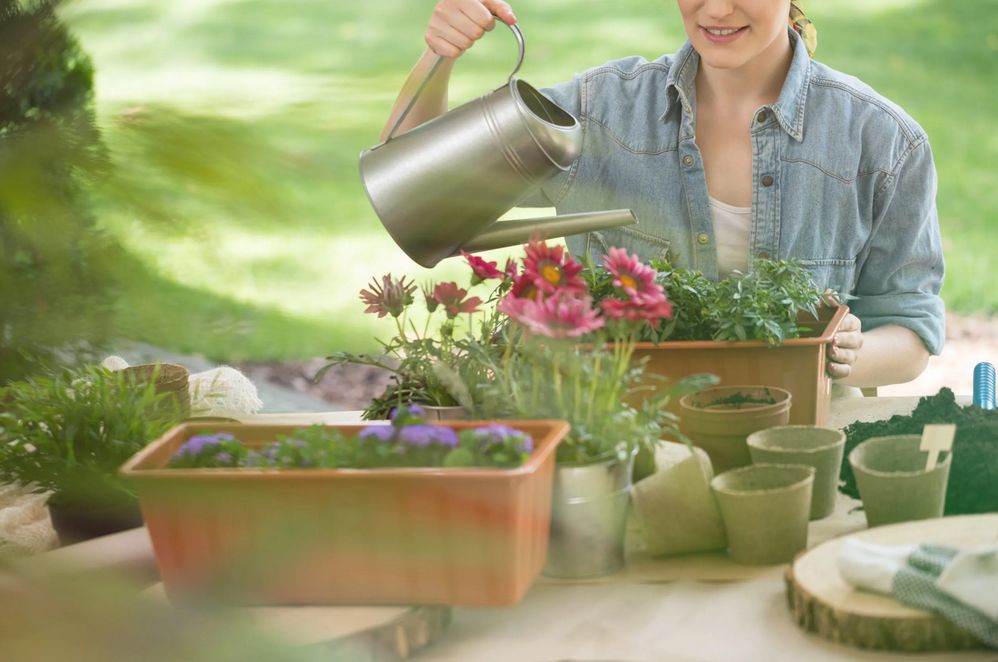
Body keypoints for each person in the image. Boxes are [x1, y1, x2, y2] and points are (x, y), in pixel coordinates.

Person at [380, 0, 945, 390]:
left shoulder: (881, 142)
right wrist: (439, 53)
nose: (717, 10)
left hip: (795, 452)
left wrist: (846, 355)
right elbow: (418, 196)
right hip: (618, 442)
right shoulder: (602, 112)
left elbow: (910, 328)